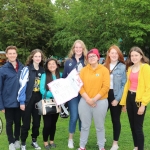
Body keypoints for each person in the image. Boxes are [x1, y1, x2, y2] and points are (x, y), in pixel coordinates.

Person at [78, 48, 110, 150]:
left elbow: (106, 87)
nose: (91, 58)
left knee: (100, 126)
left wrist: (94, 99)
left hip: (100, 102)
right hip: (85, 101)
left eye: (93, 56)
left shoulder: (104, 70)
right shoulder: (83, 70)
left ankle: (101, 146)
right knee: (84, 126)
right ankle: (82, 146)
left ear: (98, 57)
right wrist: (88, 99)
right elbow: (79, 86)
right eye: (89, 57)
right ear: (87, 59)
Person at [120, 46, 150, 150]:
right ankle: (136, 146)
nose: (134, 57)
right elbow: (127, 87)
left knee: (138, 127)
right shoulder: (130, 68)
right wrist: (124, 103)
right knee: (132, 126)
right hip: (130, 98)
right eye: (132, 55)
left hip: (139, 100)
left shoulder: (145, 67)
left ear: (141, 55)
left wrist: (143, 105)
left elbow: (148, 87)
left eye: (136, 55)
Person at [17, 49, 45, 150]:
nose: (38, 58)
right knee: (26, 123)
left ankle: (34, 140)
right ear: (32, 57)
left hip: (38, 99)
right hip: (28, 99)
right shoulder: (26, 69)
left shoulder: (42, 70)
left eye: (39, 56)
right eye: (36, 56)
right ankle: (23, 143)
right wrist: (22, 101)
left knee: (37, 122)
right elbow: (22, 86)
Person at [62, 40, 88, 148]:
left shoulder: (87, 61)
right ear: (73, 49)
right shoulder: (68, 61)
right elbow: (64, 77)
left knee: (83, 117)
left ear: (83, 49)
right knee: (74, 116)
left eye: (80, 47)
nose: (78, 49)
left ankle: (82, 141)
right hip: (72, 94)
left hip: (84, 93)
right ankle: (70, 139)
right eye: (76, 47)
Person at [0, 46, 24, 150]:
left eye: (14, 53)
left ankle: (17, 139)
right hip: (8, 103)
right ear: (7, 55)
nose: (12, 55)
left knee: (18, 122)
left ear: (16, 54)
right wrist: (1, 106)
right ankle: (11, 142)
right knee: (9, 123)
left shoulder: (23, 68)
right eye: (10, 53)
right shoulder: (2, 70)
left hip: (19, 102)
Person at [104, 45, 126, 150]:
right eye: (112, 53)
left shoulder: (122, 66)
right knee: (100, 118)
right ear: (108, 54)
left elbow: (124, 84)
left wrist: (117, 99)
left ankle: (115, 143)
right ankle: (101, 138)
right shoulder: (104, 66)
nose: (114, 55)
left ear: (119, 55)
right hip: (104, 95)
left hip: (115, 94)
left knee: (115, 119)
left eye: (116, 53)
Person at [40, 58, 62, 150]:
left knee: (53, 124)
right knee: (47, 124)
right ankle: (45, 142)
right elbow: (42, 90)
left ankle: (52, 140)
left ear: (56, 65)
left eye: (53, 64)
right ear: (47, 66)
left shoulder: (60, 75)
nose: (52, 65)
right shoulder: (44, 75)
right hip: (47, 103)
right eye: (50, 64)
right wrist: (54, 94)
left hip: (57, 103)